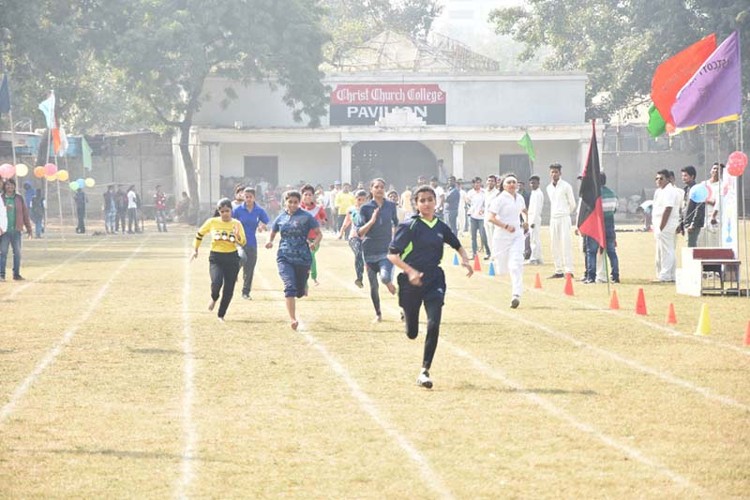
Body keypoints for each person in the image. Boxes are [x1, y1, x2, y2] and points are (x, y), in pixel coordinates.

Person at [388, 185, 473, 389]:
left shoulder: (440, 226)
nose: (426, 204)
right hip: (411, 282)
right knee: (412, 333)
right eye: (422, 200)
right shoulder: (409, 225)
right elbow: (392, 255)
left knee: (434, 323)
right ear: (416, 204)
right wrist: (410, 271)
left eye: (430, 199)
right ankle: (405, 312)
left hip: (434, 279)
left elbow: (456, 243)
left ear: (436, 202)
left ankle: (424, 371)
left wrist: (465, 259)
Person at [265, 190, 322, 330]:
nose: (292, 204)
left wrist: (315, 243)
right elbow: (272, 232)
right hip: (284, 256)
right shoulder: (280, 218)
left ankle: (304, 286)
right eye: (290, 202)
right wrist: (270, 241)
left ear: (299, 203)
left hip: (302, 257)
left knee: (299, 292)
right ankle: (293, 319)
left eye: (295, 202)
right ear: (285, 202)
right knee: (289, 287)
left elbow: (319, 233)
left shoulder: (306, 217)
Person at [191, 198, 246, 322]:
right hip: (216, 258)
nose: (225, 214)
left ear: (231, 210)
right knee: (216, 283)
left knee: (229, 289)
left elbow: (243, 242)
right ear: (219, 211)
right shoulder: (212, 222)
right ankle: (214, 298)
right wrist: (195, 249)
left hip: (232, 258)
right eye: (222, 211)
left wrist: (237, 236)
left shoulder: (237, 224)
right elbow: (199, 234)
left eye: (227, 211)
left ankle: (221, 315)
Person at [357, 178, 399, 322]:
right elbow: (360, 232)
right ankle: (378, 314)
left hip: (386, 250)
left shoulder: (391, 206)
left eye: (382, 187)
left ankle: (404, 306)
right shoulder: (365, 208)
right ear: (371, 189)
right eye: (376, 187)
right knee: (373, 286)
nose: (379, 189)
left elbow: (396, 223)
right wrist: (372, 220)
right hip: (369, 251)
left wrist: (397, 240)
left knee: (385, 277)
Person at [487, 175, 528, 308]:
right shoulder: (499, 199)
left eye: (514, 182)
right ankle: (502, 268)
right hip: (502, 237)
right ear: (504, 185)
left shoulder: (519, 198)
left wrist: (526, 221)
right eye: (509, 182)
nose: (512, 184)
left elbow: (524, 211)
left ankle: (516, 295)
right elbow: (491, 218)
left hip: (517, 235)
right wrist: (505, 226)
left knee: (516, 265)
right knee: (502, 269)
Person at [232, 187, 269, 300]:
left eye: (250, 197)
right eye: (246, 196)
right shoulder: (238, 210)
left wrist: (262, 226)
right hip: (239, 242)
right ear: (243, 197)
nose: (248, 199)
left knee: (249, 269)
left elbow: (266, 222)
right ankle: (233, 273)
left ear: (254, 197)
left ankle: (246, 292)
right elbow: (230, 222)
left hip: (252, 242)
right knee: (242, 258)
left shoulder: (259, 210)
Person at [545, 163, 576, 278]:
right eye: (552, 172)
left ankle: (569, 270)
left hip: (564, 218)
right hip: (553, 219)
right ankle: (558, 270)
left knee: (566, 244)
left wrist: (565, 212)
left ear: (560, 173)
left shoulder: (566, 186)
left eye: (556, 172)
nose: (554, 174)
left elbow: (572, 204)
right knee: (554, 245)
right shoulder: (548, 188)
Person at [0, 179, 33, 281]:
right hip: (4, 231)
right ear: (4, 187)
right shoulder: (1, 198)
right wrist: (5, 208)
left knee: (17, 253)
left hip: (16, 230)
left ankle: (16, 274)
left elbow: (25, 213)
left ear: (14, 186)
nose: (10, 187)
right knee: (3, 253)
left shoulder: (19, 198)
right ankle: (1, 274)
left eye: (12, 185)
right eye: (7, 185)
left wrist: (29, 228)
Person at [652, 169, 680, 282]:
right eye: (656, 178)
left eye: (661, 178)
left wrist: (661, 227)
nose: (658, 180)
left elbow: (668, 209)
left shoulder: (670, 191)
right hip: (659, 223)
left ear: (668, 179)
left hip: (667, 224)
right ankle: (668, 274)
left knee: (667, 250)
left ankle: (666, 274)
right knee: (661, 250)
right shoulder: (659, 191)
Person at [339, 189, 368, 288]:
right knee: (358, 253)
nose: (361, 202)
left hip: (366, 238)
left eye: (364, 200)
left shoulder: (370, 210)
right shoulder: (351, 210)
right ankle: (359, 278)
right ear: (355, 199)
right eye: (359, 199)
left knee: (366, 257)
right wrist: (341, 232)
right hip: (354, 237)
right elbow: (347, 221)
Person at [300, 183, 327, 285]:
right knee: (305, 258)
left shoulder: (318, 208)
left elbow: (324, 217)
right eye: (305, 194)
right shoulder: (298, 208)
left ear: (313, 196)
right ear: (302, 196)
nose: (307, 197)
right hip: (301, 239)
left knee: (310, 255)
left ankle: (314, 277)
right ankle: (305, 281)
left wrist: (323, 220)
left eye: (310, 195)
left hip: (314, 239)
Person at [678, 165, 704, 248]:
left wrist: (693, 224)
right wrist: (681, 225)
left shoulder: (698, 189)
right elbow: (683, 209)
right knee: (688, 247)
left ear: (692, 176)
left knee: (691, 247)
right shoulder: (686, 190)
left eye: (685, 175)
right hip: (686, 224)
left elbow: (699, 208)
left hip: (693, 225)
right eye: (682, 176)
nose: (683, 178)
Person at [465, 176, 489, 259]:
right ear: (473, 184)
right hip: (473, 217)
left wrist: (483, 209)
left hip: (482, 217)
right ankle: (474, 254)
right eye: (476, 183)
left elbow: (487, 203)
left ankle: (488, 252)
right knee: (473, 236)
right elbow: (468, 202)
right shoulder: (470, 193)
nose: (477, 184)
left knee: (483, 235)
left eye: (479, 182)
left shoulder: (484, 192)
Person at [526, 175, 544, 264]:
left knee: (534, 239)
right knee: (535, 238)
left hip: (535, 219)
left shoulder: (538, 193)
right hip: (532, 218)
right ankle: (539, 258)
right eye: (531, 183)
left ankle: (534, 258)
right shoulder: (534, 193)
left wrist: (533, 221)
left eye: (534, 183)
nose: (532, 184)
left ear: (538, 183)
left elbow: (537, 209)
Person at [704, 163, 723, 247]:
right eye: (714, 168)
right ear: (711, 170)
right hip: (703, 217)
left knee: (714, 244)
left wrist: (713, 216)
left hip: (715, 218)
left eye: (718, 169)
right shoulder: (704, 184)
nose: (715, 171)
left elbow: (718, 202)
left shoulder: (722, 186)